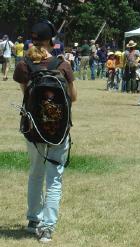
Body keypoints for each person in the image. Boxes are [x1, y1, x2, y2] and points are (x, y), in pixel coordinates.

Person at [13, 21, 77, 243]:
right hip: (59, 130)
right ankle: (47, 229)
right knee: (54, 180)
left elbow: (26, 95)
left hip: (33, 128)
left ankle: (33, 220)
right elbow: (73, 97)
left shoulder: (24, 64)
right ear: (52, 40)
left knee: (35, 173)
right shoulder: (62, 64)